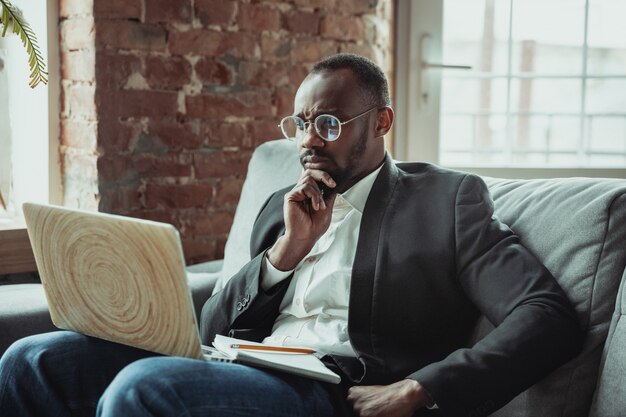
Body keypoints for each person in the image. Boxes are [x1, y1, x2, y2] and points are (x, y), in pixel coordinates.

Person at [0, 53, 582, 417]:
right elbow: (210, 328)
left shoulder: (446, 201)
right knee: (31, 360)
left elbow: (546, 314)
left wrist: (422, 389)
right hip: (234, 363)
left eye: (328, 123)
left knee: (146, 390)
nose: (308, 139)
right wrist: (284, 254)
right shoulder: (287, 205)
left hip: (327, 389)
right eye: (301, 122)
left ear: (381, 121)